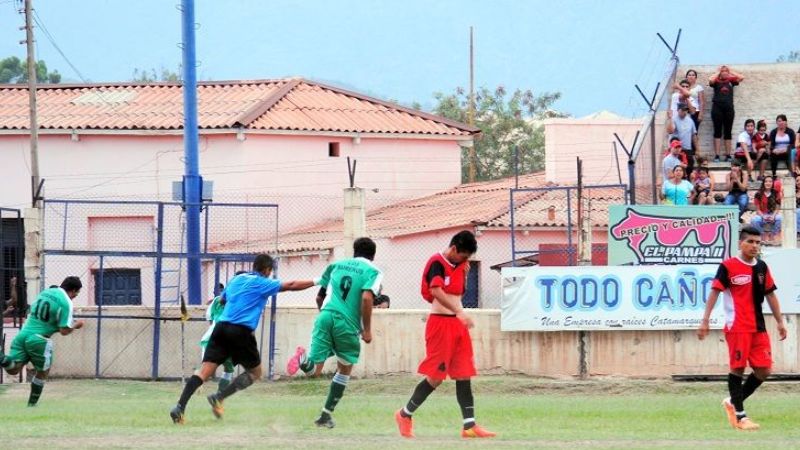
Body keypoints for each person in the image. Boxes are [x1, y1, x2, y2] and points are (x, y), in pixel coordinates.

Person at [169, 254, 316, 424]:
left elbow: (223, 300)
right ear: (267, 270)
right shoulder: (262, 282)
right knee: (255, 373)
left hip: (220, 328)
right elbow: (291, 285)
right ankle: (219, 397)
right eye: (270, 271)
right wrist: (317, 281)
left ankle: (180, 407)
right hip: (241, 331)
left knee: (204, 372)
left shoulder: (235, 280)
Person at [394, 230, 496, 439]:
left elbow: (457, 293)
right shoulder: (437, 262)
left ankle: (469, 426)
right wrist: (459, 311)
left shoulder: (460, 266)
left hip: (457, 326)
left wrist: (464, 272)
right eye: (464, 256)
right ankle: (405, 414)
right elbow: (436, 291)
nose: (466, 260)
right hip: (440, 325)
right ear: (453, 249)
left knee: (463, 372)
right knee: (435, 377)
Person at [284, 237, 383, 428]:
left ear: (354, 252)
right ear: (373, 255)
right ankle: (326, 414)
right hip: (346, 324)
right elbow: (366, 298)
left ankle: (303, 360)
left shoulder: (336, 266)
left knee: (314, 371)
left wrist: (325, 316)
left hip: (325, 316)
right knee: (345, 368)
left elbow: (319, 295)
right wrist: (367, 330)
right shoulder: (373, 271)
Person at [697, 226, 787, 431]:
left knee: (764, 370)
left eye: (758, 242)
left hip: (758, 327)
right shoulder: (728, 266)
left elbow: (771, 294)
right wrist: (705, 320)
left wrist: (780, 321)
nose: (755, 246)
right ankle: (740, 416)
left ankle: (731, 402)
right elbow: (714, 292)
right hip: (737, 326)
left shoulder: (762, 267)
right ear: (741, 243)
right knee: (737, 368)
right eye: (751, 242)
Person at [0, 276, 84, 407]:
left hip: (23, 334)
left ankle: (2, 357)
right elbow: (64, 331)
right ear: (73, 290)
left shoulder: (45, 292)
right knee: (43, 372)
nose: (75, 297)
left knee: (13, 369)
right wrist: (76, 325)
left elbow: (37, 314)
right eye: (76, 294)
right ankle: (32, 405)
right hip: (39, 339)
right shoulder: (66, 302)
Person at [199, 275, 244, 392]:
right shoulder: (238, 302)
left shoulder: (214, 302)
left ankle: (200, 382)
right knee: (227, 370)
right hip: (226, 340)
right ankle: (219, 396)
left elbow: (210, 319)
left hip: (212, 338)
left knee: (207, 369)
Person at [709, 65, 744, 162]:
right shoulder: (716, 81)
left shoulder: (731, 81)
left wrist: (730, 70)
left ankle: (728, 155)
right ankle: (717, 155)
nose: (724, 72)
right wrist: (718, 71)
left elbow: (741, 78)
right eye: (722, 71)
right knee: (717, 132)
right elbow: (710, 80)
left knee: (728, 132)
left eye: (726, 71)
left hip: (729, 109)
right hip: (717, 109)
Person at [666, 103, 699, 176]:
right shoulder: (674, 119)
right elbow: (670, 131)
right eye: (683, 110)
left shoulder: (690, 121)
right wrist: (670, 118)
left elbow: (694, 135)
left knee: (689, 169)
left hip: (688, 149)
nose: (685, 112)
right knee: (678, 171)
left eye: (686, 110)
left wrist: (697, 149)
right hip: (677, 150)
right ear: (678, 110)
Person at [750, 176, 782, 242]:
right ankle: (762, 235)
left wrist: (773, 216)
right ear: (763, 183)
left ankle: (773, 234)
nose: (768, 183)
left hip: (773, 214)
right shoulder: (758, 194)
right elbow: (758, 210)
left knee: (780, 218)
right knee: (754, 220)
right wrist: (763, 216)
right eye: (766, 181)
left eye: (770, 181)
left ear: (772, 183)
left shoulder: (776, 193)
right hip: (762, 214)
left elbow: (777, 208)